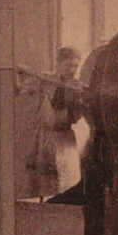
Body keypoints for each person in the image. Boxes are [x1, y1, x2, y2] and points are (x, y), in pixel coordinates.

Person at [28, 46, 86, 198]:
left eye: (75, 66)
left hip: (64, 136)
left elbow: (76, 117)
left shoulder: (78, 86)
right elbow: (25, 90)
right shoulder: (46, 80)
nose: (72, 69)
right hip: (46, 134)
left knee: (67, 177)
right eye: (68, 65)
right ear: (59, 63)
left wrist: (78, 102)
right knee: (44, 177)